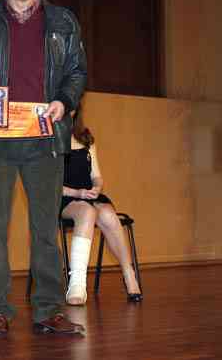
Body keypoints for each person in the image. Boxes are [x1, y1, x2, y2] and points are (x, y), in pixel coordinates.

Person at [0, 0, 87, 336]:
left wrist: (64, 101)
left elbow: (76, 71)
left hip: (45, 138)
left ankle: (49, 310)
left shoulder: (63, 20)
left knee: (45, 229)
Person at [61, 105, 142, 305]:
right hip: (63, 197)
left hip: (88, 196)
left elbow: (96, 176)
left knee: (107, 213)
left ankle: (128, 273)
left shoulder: (86, 139)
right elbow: (47, 184)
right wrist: (76, 193)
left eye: (72, 106)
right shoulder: (49, 139)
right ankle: (77, 283)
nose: (68, 110)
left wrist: (97, 187)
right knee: (87, 211)